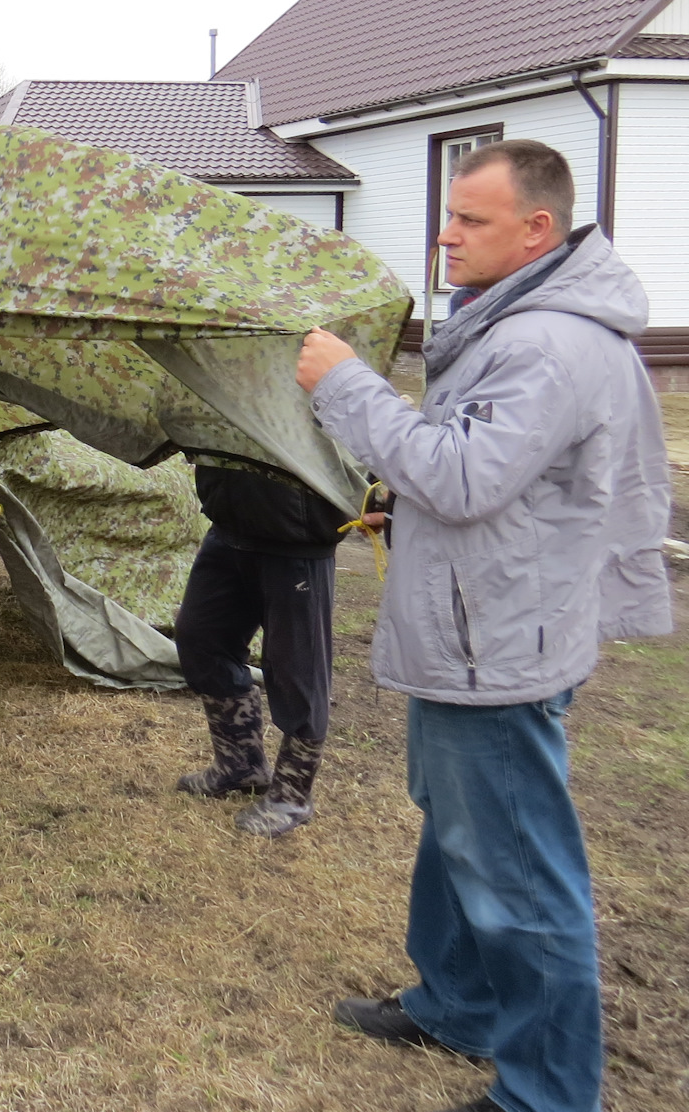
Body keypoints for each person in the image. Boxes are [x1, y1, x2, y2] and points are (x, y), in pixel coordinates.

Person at [295, 139, 672, 1112]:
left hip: (495, 643)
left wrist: (346, 383)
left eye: (472, 219)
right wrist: (402, 498)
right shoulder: (522, 322)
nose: (446, 234)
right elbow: (498, 477)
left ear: (537, 228)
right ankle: (457, 1004)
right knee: (460, 830)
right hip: (489, 621)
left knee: (519, 872)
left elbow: (462, 478)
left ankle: (548, 1092)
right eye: (450, 213)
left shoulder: (545, 342)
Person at [173, 464, 351, 836]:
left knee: (296, 669)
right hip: (230, 525)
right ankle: (240, 765)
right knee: (200, 639)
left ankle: (292, 795)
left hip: (297, 536)